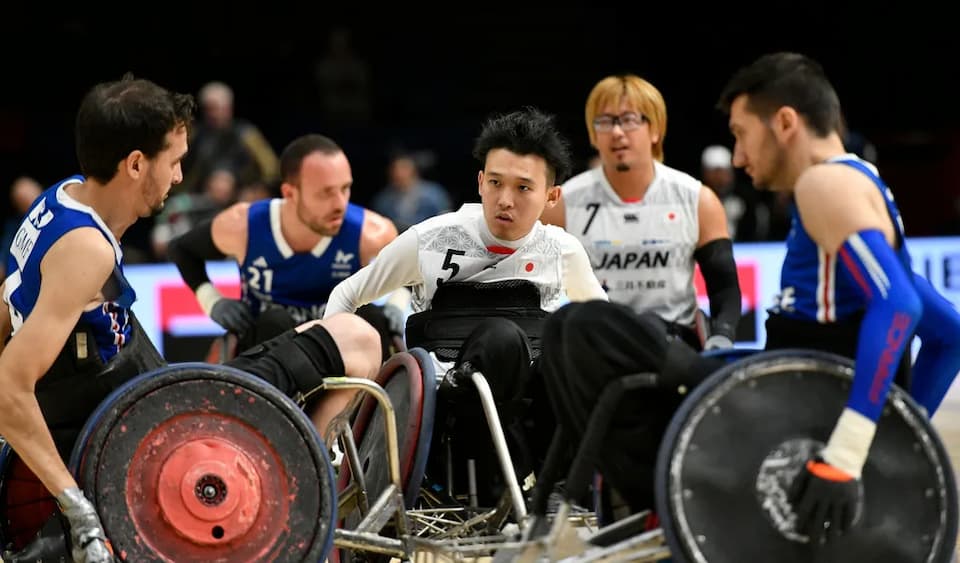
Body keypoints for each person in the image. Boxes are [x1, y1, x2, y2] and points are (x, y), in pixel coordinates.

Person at [0, 75, 382, 561]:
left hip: (152, 396)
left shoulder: (63, 197)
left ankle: (296, 472)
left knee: (332, 335)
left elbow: (6, 304)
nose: (180, 177)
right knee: (359, 340)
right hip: (160, 427)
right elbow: (9, 386)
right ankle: (305, 491)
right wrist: (78, 509)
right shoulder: (86, 250)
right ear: (136, 164)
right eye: (175, 161)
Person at [717, 52, 960, 543]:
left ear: (785, 122)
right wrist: (893, 439)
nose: (739, 157)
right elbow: (949, 333)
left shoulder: (824, 183)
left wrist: (850, 453)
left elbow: (898, 306)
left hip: (796, 416)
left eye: (741, 134)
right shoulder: (858, 181)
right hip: (802, 399)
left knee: (600, 338)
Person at [324, 107, 609, 505]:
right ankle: (509, 488)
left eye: (524, 188)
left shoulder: (561, 250)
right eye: (495, 182)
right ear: (480, 182)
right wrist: (339, 400)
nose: (505, 200)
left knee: (571, 342)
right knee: (502, 338)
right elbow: (346, 295)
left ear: (551, 196)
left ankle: (558, 484)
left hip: (528, 406)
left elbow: (605, 322)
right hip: (448, 408)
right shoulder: (430, 239)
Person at [541, 74, 741, 351]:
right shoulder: (562, 203)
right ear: (593, 134)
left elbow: (725, 289)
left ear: (655, 129)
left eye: (629, 120)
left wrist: (722, 336)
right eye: (605, 121)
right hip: (598, 347)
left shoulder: (697, 199)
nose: (617, 132)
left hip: (674, 342)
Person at [168, 133, 400, 358]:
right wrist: (212, 301)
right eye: (326, 193)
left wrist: (398, 304)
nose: (340, 204)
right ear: (290, 193)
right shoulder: (244, 226)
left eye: (345, 188)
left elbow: (415, 263)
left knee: (373, 317)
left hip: (340, 349)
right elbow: (183, 249)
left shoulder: (370, 231)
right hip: (268, 350)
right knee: (274, 320)